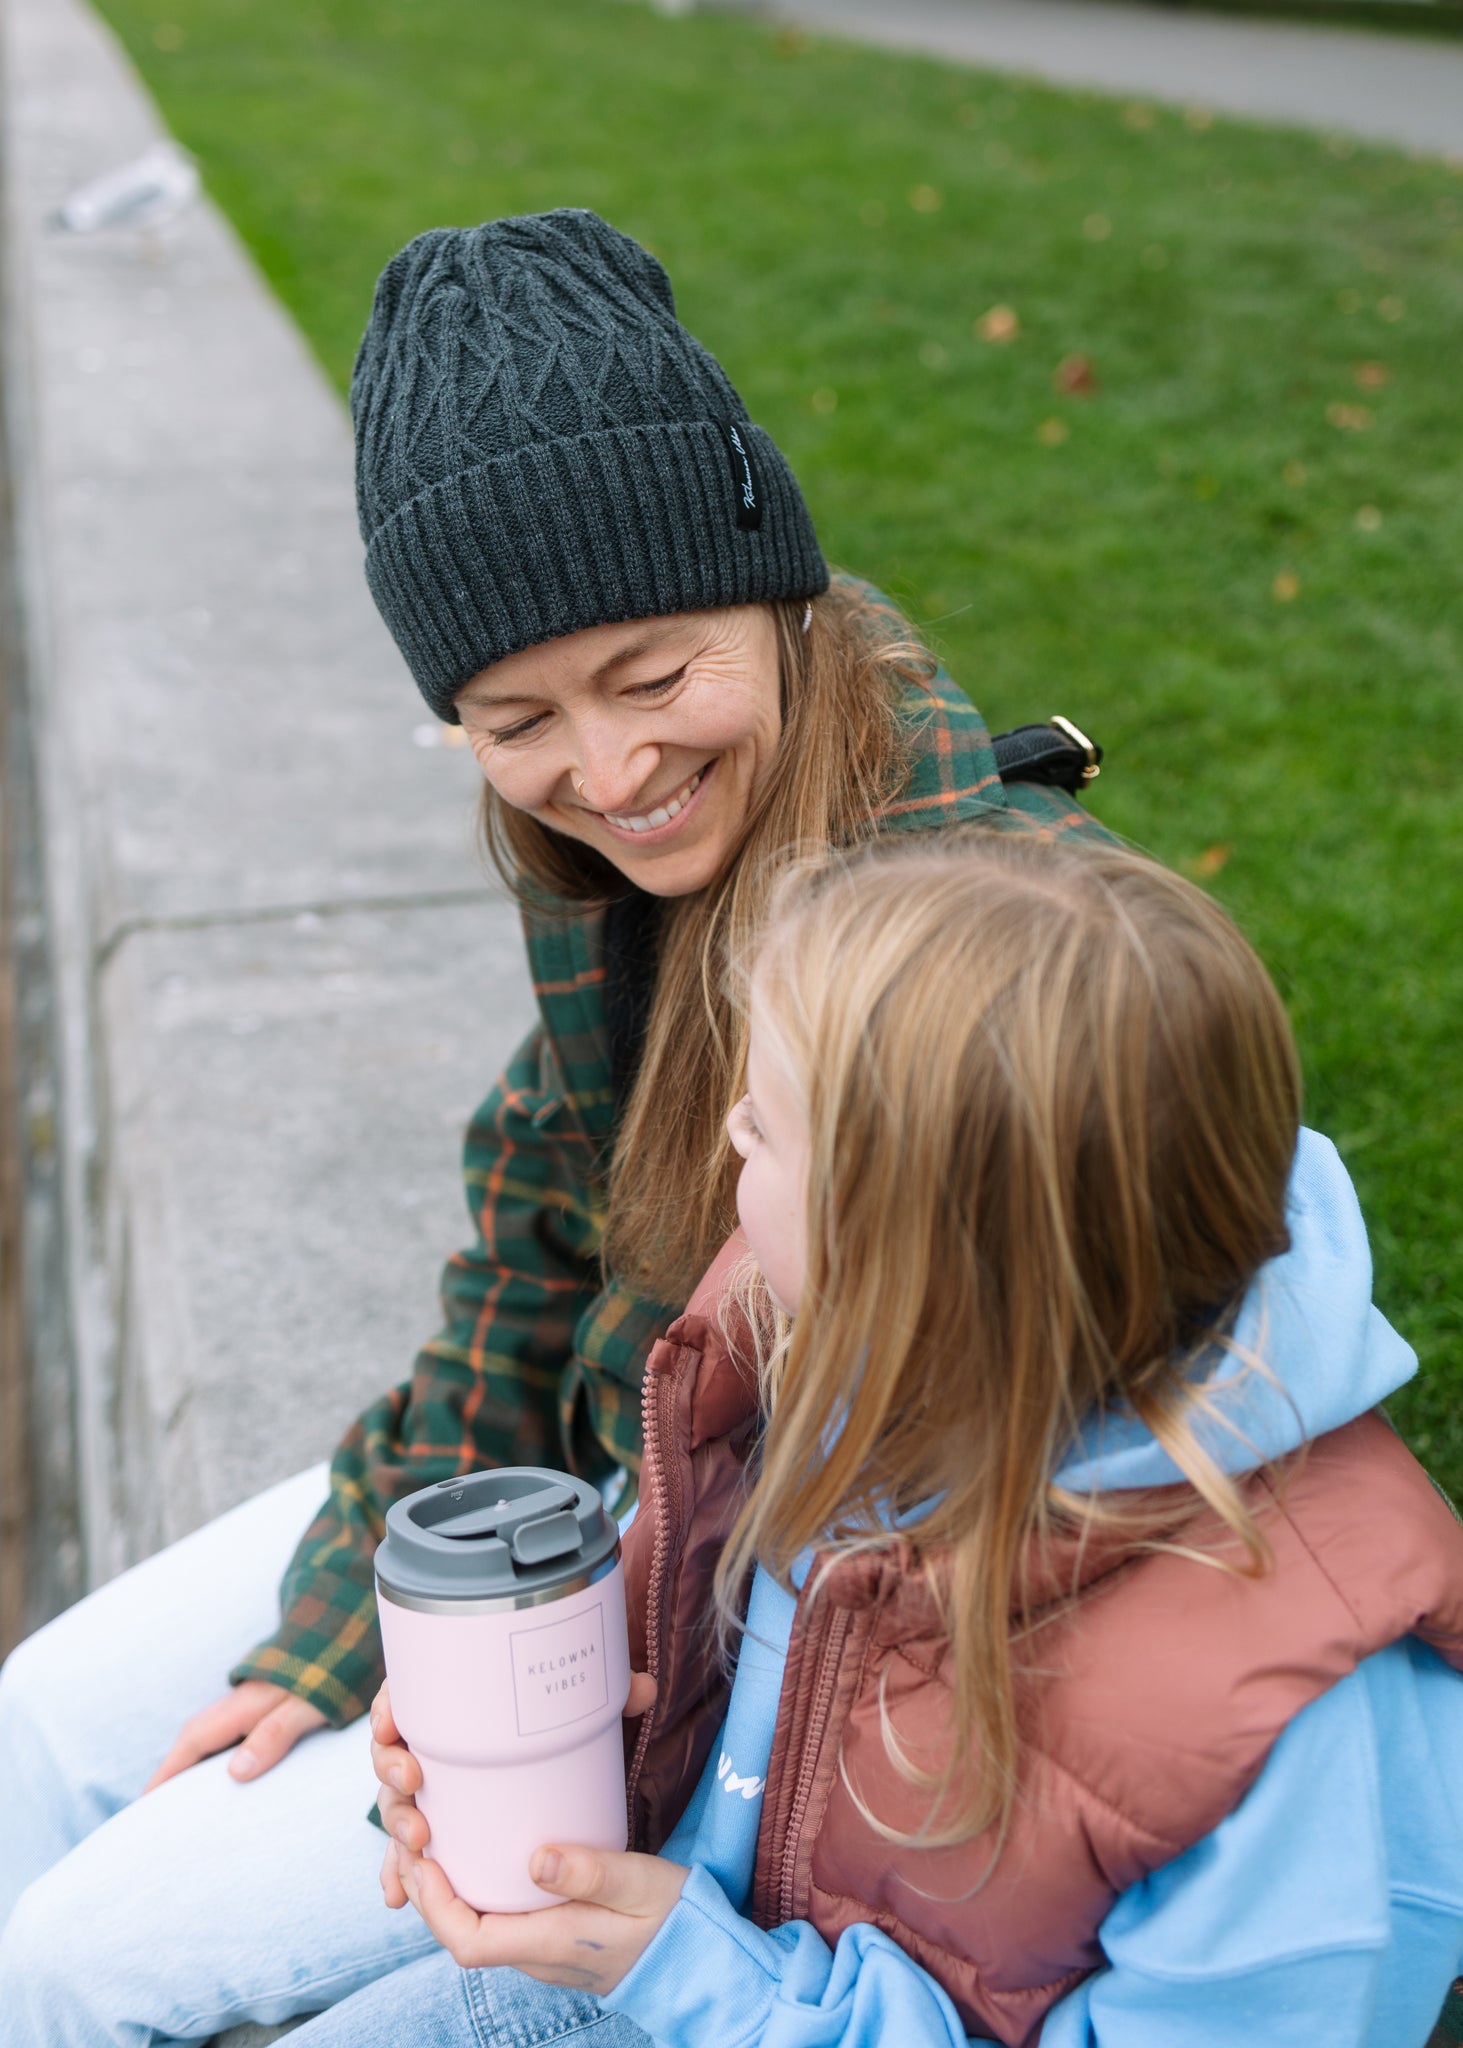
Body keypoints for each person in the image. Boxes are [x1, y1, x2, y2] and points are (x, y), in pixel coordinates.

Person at [0, 211, 1108, 2043]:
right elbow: (526, 1255)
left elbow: (998, 1544)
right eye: (512, 717)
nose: (603, 774)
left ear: (771, 590)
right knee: (40, 1717)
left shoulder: (971, 950)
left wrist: (547, 1691)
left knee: (68, 1968)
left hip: (722, 1639)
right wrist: (346, 1616)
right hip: (563, 1511)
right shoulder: (602, 870)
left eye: (653, 676)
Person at [307, 833, 1463, 2048]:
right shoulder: (856, 1351)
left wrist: (701, 1982)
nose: (725, 1148)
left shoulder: (1295, 1725)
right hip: (689, 1951)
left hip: (730, 1998)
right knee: (93, 1976)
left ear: (901, 1245)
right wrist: (575, 1720)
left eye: (756, 1129)